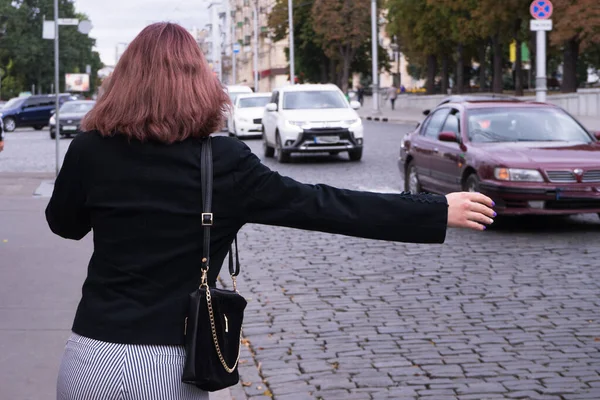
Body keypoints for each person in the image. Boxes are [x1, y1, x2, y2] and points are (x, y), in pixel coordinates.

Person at [46, 23, 495, 400]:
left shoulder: (89, 149)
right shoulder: (222, 162)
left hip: (90, 355)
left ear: (123, 81)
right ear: (198, 82)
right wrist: (435, 210)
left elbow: (64, 225)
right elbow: (325, 205)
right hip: (167, 365)